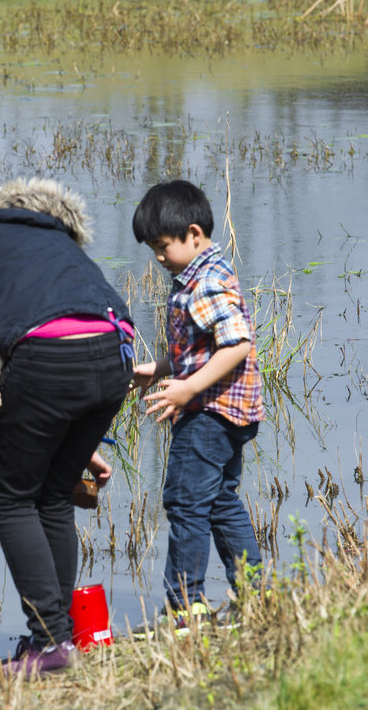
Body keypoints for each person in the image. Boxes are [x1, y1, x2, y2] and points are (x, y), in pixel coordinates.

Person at [0, 163, 134, 674]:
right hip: (115, 349)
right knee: (53, 497)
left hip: (49, 360)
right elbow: (67, 309)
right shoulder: (45, 226)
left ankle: (50, 644)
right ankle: (65, 640)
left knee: (12, 498)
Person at [129, 179, 264, 637]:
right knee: (220, 501)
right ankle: (257, 595)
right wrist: (160, 367)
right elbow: (203, 348)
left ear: (193, 233)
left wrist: (186, 391)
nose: (159, 258)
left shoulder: (204, 282)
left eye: (163, 247)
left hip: (210, 411)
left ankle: (186, 608)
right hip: (231, 411)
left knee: (185, 502)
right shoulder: (206, 273)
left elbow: (237, 344)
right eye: (153, 250)